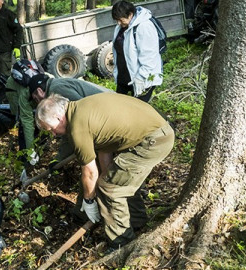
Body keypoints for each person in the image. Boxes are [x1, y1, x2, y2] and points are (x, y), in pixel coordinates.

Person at [35, 93, 174, 250]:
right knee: (118, 179)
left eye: (52, 129)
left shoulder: (77, 129)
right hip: (158, 132)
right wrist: (107, 178)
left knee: (111, 188)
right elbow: (104, 152)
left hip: (153, 141)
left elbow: (90, 173)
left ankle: (121, 243)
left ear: (59, 118)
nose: (54, 134)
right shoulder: (82, 107)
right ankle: (137, 221)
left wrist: (89, 201)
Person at [8, 72, 112, 162]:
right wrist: (59, 159)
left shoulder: (56, 90)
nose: (38, 103)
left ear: (40, 91)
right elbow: (70, 126)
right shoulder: (55, 85)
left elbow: (81, 119)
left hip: (109, 112)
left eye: (36, 99)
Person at [110, 0, 163, 102]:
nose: (118, 23)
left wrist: (141, 78)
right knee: (120, 107)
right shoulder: (120, 27)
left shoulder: (144, 26)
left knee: (138, 111)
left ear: (130, 14)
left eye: (120, 20)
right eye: (117, 20)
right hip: (125, 78)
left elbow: (150, 56)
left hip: (141, 79)